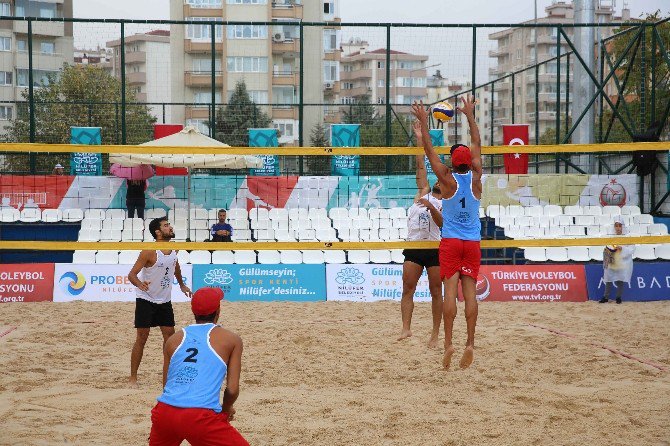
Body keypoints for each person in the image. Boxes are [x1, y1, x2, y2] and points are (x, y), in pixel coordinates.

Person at [411, 96, 483, 370]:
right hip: (472, 243)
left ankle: (449, 343)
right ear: (470, 162)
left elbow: (429, 151)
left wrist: (423, 122)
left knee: (449, 294)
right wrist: (470, 115)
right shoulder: (476, 179)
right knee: (471, 295)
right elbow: (476, 144)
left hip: (451, 242)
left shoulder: (446, 181)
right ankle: (470, 343)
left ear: (452, 161)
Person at [149, 287, 248, 446]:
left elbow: (167, 385)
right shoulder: (231, 339)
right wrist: (226, 409)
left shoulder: (173, 339)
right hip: (199, 415)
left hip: (165, 411)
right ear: (218, 310)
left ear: (193, 311)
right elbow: (232, 389)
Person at [127, 217, 192, 387]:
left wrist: (182, 285)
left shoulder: (173, 249)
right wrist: (140, 285)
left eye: (169, 224)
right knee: (142, 338)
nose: (170, 227)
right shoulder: (149, 251)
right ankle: (133, 377)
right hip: (146, 299)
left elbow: (175, 267)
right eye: (166, 225)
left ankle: (168, 374)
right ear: (157, 232)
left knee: (169, 336)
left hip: (164, 300)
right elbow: (131, 275)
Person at [398, 120, 443, 348]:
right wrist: (419, 137)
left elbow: (442, 224)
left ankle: (435, 334)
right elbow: (420, 166)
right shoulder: (423, 192)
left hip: (434, 248)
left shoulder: (447, 202)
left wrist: (432, 206)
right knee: (408, 288)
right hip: (415, 246)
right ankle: (406, 329)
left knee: (437, 292)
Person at [600, 218, 635, 304]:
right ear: (614, 227)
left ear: (623, 226)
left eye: (620, 225)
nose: (618, 228)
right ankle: (606, 297)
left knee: (620, 279)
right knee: (608, 278)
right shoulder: (610, 236)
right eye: (616, 226)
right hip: (611, 260)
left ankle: (618, 297)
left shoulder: (628, 237)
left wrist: (622, 248)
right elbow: (607, 248)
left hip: (622, 261)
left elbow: (632, 249)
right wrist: (612, 251)